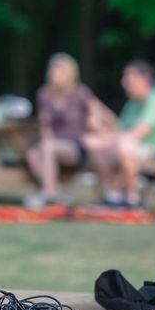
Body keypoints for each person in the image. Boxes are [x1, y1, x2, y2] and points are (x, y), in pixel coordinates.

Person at [83, 61, 155, 209]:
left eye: (128, 79)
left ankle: (132, 200)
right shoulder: (132, 104)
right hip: (139, 152)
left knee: (123, 147)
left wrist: (103, 141)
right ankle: (113, 197)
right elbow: (120, 132)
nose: (123, 83)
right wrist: (100, 130)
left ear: (145, 79)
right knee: (101, 150)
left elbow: (136, 135)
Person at [24, 53, 112, 208]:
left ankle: (49, 194)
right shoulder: (44, 94)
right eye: (52, 70)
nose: (54, 74)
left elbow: (102, 114)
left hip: (76, 146)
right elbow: (45, 125)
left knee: (48, 147)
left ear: (70, 74)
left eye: (59, 71)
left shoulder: (80, 93)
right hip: (53, 146)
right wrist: (45, 142)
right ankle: (57, 192)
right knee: (33, 154)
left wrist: (96, 124)